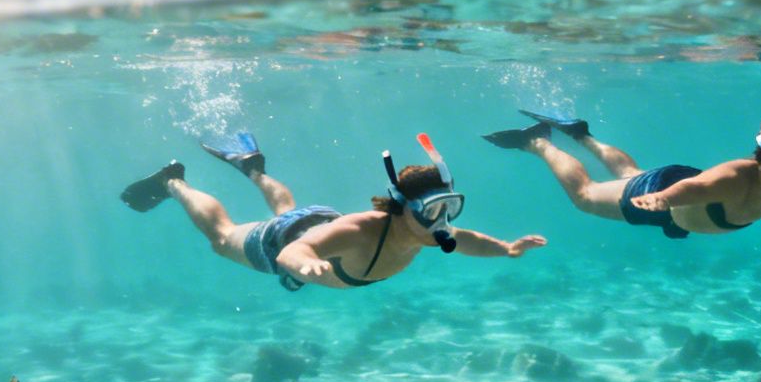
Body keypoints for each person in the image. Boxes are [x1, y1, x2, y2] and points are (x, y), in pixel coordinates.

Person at [120, 131, 546, 289]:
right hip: (286, 242)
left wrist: (507, 248)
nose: (443, 222)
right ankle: (172, 181)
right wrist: (305, 266)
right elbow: (292, 254)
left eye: (448, 208)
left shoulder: (426, 231)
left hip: (316, 223)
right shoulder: (361, 231)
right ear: (401, 208)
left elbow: (469, 241)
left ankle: (253, 169)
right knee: (221, 238)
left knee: (288, 209)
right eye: (432, 210)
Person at [483, 86, 761, 239]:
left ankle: (580, 132)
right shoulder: (737, 177)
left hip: (675, 202)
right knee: (586, 196)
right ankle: (538, 143)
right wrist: (662, 200)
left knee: (629, 173)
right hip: (671, 196)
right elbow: (695, 189)